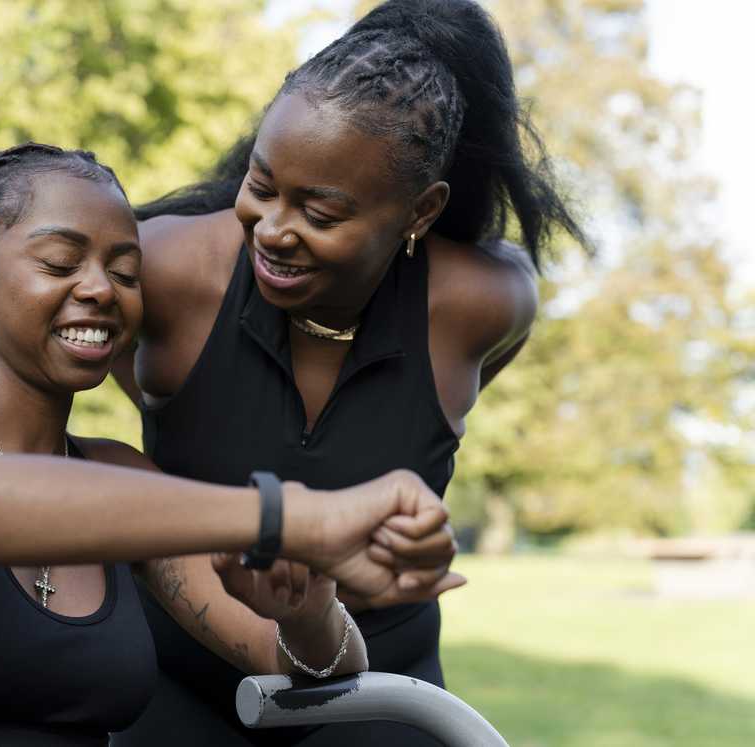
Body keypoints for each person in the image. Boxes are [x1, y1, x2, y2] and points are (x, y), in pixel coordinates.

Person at [0, 143, 458, 746]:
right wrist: (286, 515)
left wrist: (308, 609)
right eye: (61, 262)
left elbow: (301, 666)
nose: (100, 288)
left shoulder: (116, 472)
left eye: (125, 271)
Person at [111, 0, 589, 745]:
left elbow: (456, 396)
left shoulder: (483, 303)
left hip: (385, 703)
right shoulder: (167, 270)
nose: (272, 229)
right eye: (262, 185)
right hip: (176, 690)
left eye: (321, 212)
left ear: (421, 212)